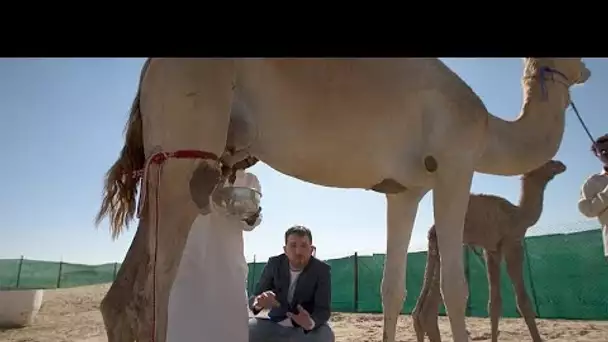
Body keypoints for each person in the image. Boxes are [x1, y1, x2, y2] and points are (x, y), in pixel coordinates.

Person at [166, 170, 263, 342]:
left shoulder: (247, 179)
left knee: (230, 330)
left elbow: (250, 221)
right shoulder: (185, 170)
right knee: (184, 327)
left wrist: (251, 215)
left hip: (229, 271)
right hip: (189, 267)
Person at [248, 225, 335, 342]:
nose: (298, 251)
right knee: (248, 328)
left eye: (303, 246)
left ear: (311, 249)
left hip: (305, 330)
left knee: (325, 335)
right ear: (285, 250)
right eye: (293, 245)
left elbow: (323, 309)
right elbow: (255, 297)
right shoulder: (274, 264)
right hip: (275, 324)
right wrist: (259, 303)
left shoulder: (322, 270)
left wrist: (310, 322)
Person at [578, 134, 608, 259]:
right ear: (597, 154)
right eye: (602, 150)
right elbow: (588, 210)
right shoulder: (592, 182)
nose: (606, 152)